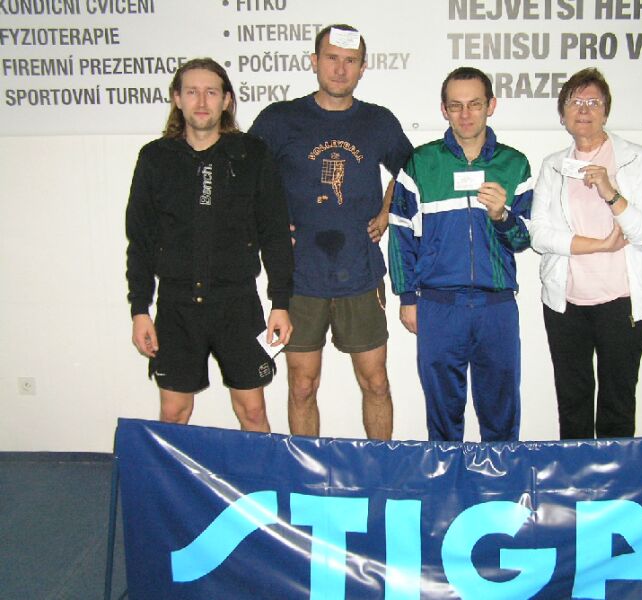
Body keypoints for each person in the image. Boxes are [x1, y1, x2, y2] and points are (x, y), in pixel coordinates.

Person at [248, 25, 413, 440]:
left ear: (362, 68)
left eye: (350, 61)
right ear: (314, 61)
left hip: (360, 271)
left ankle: (380, 468)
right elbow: (245, 179)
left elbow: (412, 173)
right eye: (332, 58)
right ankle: (308, 471)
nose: (340, 69)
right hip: (300, 276)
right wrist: (270, 226)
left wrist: (387, 210)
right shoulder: (280, 119)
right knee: (302, 386)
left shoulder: (377, 121)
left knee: (376, 382)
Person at [125, 58, 293, 432]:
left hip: (237, 304)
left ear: (226, 100)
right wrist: (140, 309)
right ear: (177, 99)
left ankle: (258, 473)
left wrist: (280, 303)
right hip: (177, 306)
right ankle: (173, 475)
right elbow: (140, 241)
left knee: (252, 411)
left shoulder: (252, 155)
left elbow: (275, 235)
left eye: (211, 92)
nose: (202, 102)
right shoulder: (155, 159)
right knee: (174, 413)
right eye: (192, 92)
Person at [388, 67, 533, 442]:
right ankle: (446, 479)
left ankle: (500, 480)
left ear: (491, 106)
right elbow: (400, 234)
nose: (465, 114)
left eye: (474, 104)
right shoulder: (421, 163)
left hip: (496, 307)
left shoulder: (514, 164)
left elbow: (524, 239)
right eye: (456, 106)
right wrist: (407, 297)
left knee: (501, 414)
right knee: (442, 416)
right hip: (438, 306)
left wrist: (502, 216)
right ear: (444, 110)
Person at [530, 67, 642, 440]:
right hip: (566, 305)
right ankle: (575, 475)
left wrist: (611, 191)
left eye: (593, 102)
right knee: (572, 404)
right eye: (575, 102)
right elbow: (539, 235)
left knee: (616, 405)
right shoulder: (553, 165)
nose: (584, 109)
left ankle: (614, 476)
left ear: (606, 111)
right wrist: (600, 245)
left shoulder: (635, 160)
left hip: (623, 305)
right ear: (562, 114)